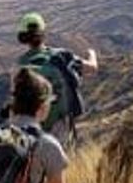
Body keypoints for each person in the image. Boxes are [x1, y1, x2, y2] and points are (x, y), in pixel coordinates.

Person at [15, 12, 99, 145]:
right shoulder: (60, 56)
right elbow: (92, 68)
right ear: (43, 33)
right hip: (60, 122)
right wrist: (92, 53)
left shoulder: (20, 64)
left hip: (34, 123)